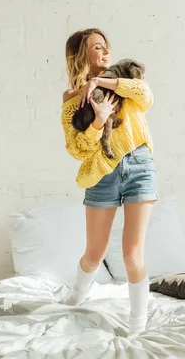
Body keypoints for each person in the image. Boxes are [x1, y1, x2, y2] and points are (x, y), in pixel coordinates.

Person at [60, 28, 157, 336]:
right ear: (81, 56)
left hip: (139, 166)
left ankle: (137, 323)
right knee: (94, 254)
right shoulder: (72, 100)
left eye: (105, 46)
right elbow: (77, 149)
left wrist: (98, 81)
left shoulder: (126, 81)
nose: (105, 52)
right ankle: (76, 296)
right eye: (96, 48)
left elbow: (146, 96)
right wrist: (99, 119)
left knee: (132, 254)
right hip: (101, 172)